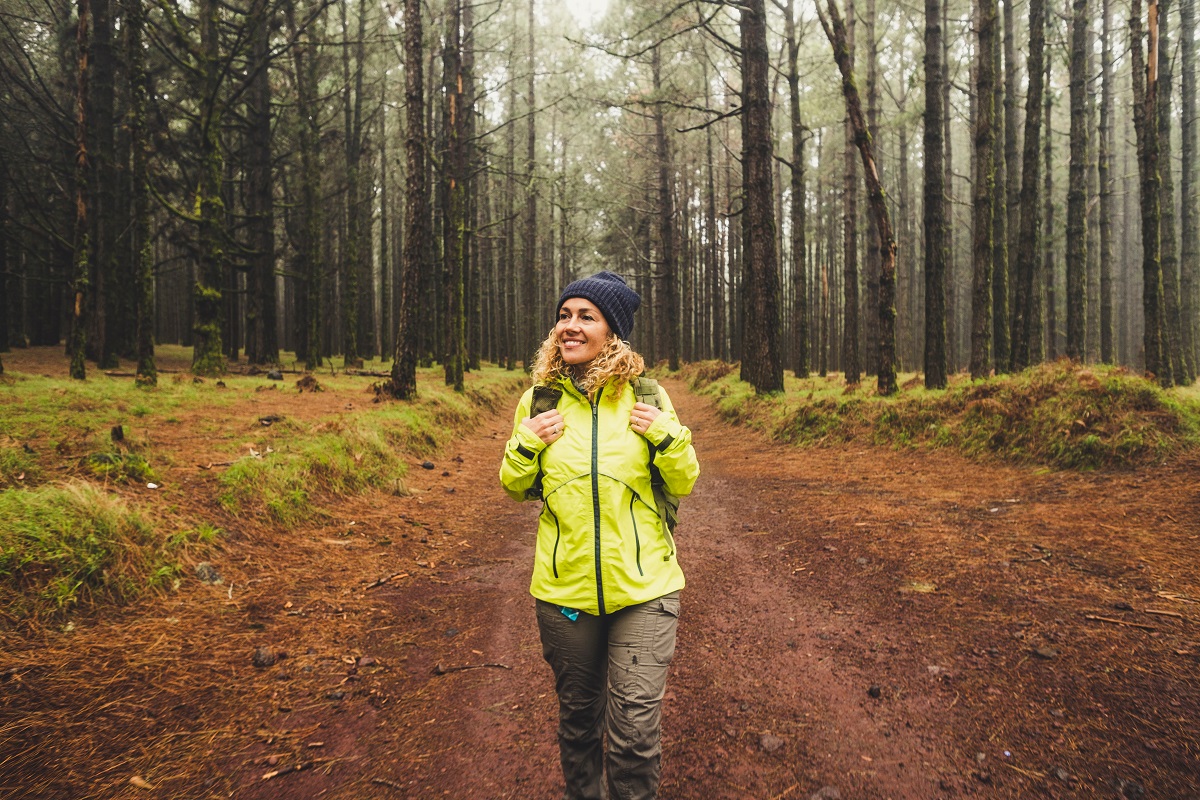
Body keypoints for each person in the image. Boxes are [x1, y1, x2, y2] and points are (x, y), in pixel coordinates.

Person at [499, 271, 700, 800]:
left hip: (645, 590)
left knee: (633, 733)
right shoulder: (539, 401)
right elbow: (515, 488)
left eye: (586, 316)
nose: (570, 326)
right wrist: (524, 445)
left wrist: (665, 434)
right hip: (566, 595)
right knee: (580, 722)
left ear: (613, 331)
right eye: (565, 315)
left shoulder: (647, 398)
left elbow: (685, 480)